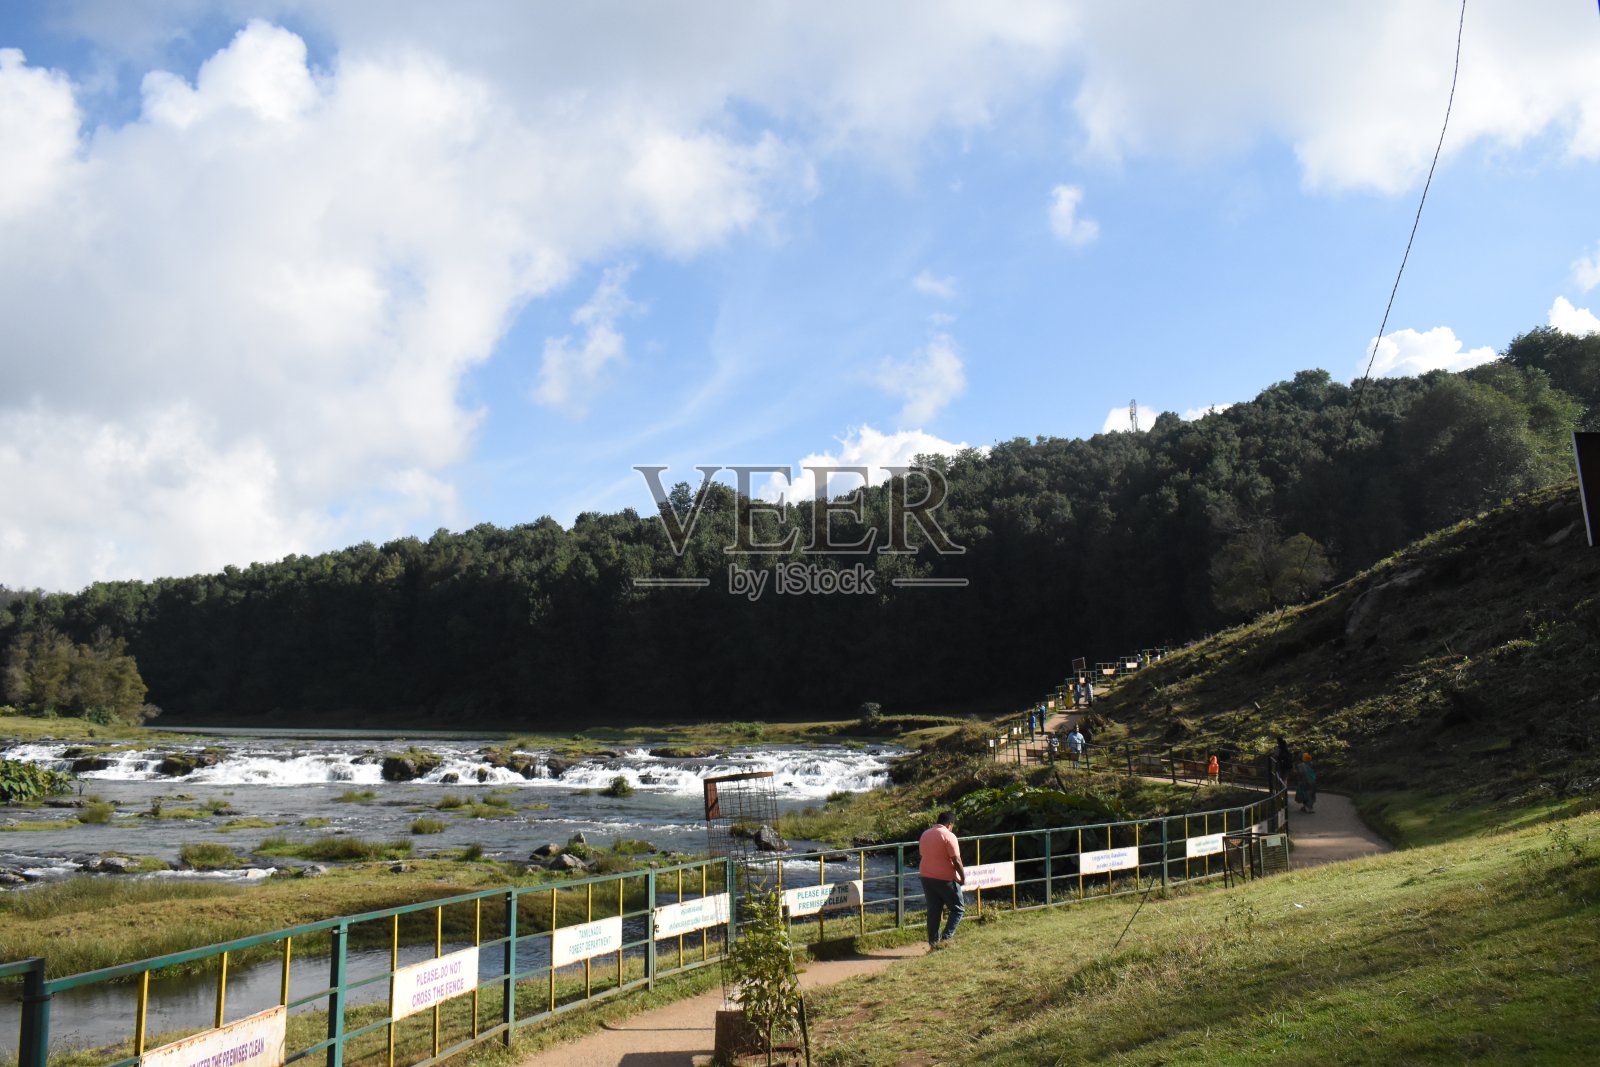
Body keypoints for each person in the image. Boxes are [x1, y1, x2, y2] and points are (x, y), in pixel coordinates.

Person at [918, 811, 966, 948]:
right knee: (958, 908)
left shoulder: (925, 834)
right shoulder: (949, 836)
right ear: (950, 824)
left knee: (934, 911)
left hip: (926, 876)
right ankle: (946, 938)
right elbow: (956, 859)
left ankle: (933, 943)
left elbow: (922, 853)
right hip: (945, 878)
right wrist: (962, 877)